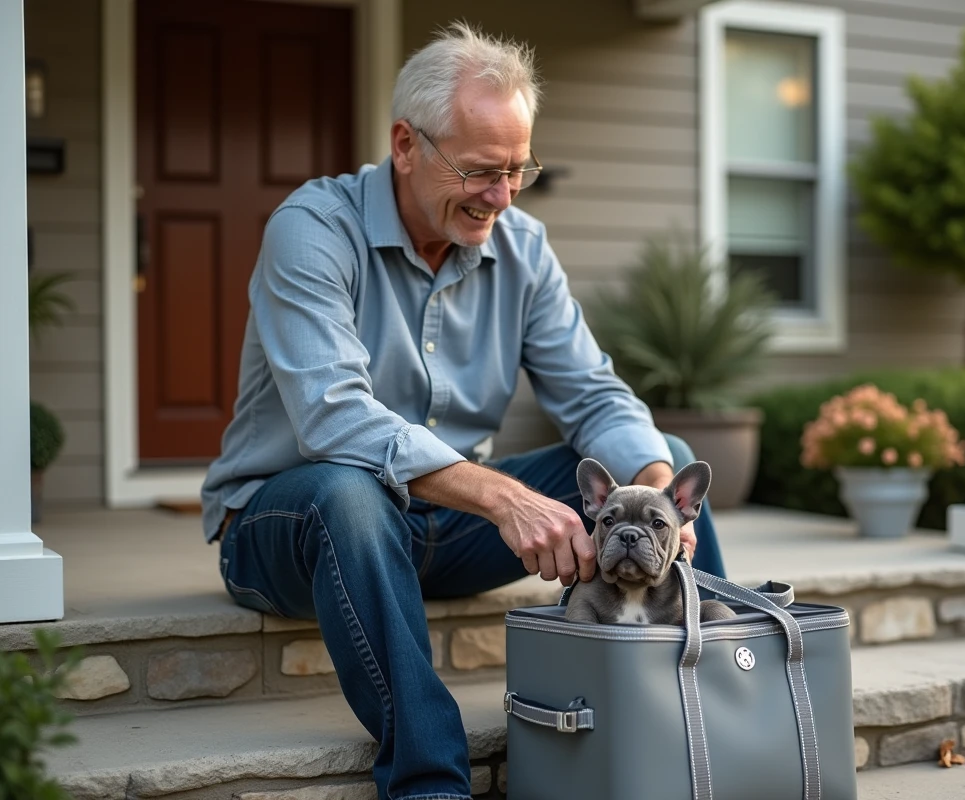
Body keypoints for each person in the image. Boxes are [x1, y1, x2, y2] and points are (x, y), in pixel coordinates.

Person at [200, 21, 727, 800]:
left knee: (662, 464)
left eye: (519, 171)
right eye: (482, 171)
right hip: (290, 528)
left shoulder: (523, 247)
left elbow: (592, 393)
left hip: (440, 528)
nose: (502, 197)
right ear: (406, 145)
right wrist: (503, 497)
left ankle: (710, 721)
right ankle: (431, 784)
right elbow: (335, 419)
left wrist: (654, 488)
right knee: (350, 489)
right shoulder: (312, 231)